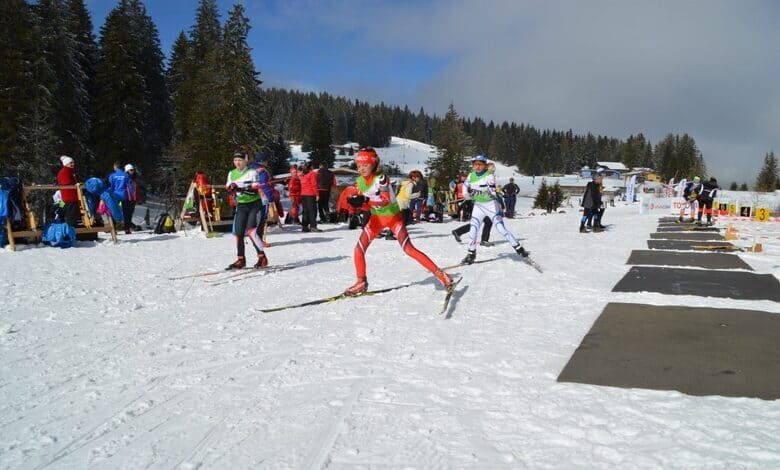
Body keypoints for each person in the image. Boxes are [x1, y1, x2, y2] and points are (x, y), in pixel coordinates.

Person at [343, 148, 453, 296]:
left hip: (394, 218)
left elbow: (385, 200)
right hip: (376, 219)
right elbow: (367, 205)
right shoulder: (359, 182)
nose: (361, 168)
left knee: (408, 249)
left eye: (365, 165)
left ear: (374, 164)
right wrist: (356, 204)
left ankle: (442, 276)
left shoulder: (381, 178)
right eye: (359, 165)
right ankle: (361, 281)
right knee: (358, 249)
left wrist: (365, 200)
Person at [461, 155, 528, 264]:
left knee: (501, 229)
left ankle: (519, 248)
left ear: (484, 165)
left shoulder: (489, 176)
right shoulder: (471, 175)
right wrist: (466, 193)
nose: (477, 167)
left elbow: (492, 191)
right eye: (475, 164)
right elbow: (465, 185)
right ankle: (471, 254)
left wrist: (484, 191)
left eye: (480, 164)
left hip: (490, 205)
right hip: (478, 206)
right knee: (473, 229)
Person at [225, 151, 267, 269]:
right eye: (235, 160)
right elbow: (228, 187)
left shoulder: (252, 172)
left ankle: (262, 257)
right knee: (238, 233)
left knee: (251, 231)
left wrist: (244, 187)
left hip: (255, 205)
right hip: (242, 206)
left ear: (245, 161)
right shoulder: (231, 173)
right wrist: (231, 188)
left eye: (240, 160)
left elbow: (255, 188)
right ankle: (241, 259)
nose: (237, 162)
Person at [108, 161, 133, 233]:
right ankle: (127, 229)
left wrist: (109, 195)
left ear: (115, 167)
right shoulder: (126, 175)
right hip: (124, 196)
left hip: (115, 196)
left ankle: (113, 229)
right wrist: (131, 196)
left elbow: (110, 187)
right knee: (126, 212)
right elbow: (130, 186)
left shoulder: (112, 176)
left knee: (114, 211)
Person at [56, 155, 81, 227]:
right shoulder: (65, 171)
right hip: (69, 196)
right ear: (66, 164)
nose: (73, 164)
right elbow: (66, 182)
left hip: (69, 196)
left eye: (73, 162)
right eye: (71, 163)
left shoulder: (70, 171)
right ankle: (70, 228)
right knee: (70, 214)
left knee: (70, 213)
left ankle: (70, 227)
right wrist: (75, 184)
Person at [299, 162, 321, 232]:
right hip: (310, 194)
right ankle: (313, 226)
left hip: (303, 194)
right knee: (312, 211)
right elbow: (314, 184)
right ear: (311, 167)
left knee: (305, 211)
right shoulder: (312, 174)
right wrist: (317, 194)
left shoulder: (302, 175)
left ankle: (304, 226)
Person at [124, 164, 141, 230]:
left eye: (133, 170)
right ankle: (127, 228)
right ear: (127, 171)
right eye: (131, 170)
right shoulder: (125, 178)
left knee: (130, 213)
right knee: (126, 213)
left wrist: (137, 197)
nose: (133, 171)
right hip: (126, 198)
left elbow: (136, 189)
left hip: (133, 198)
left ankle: (128, 226)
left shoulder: (134, 178)